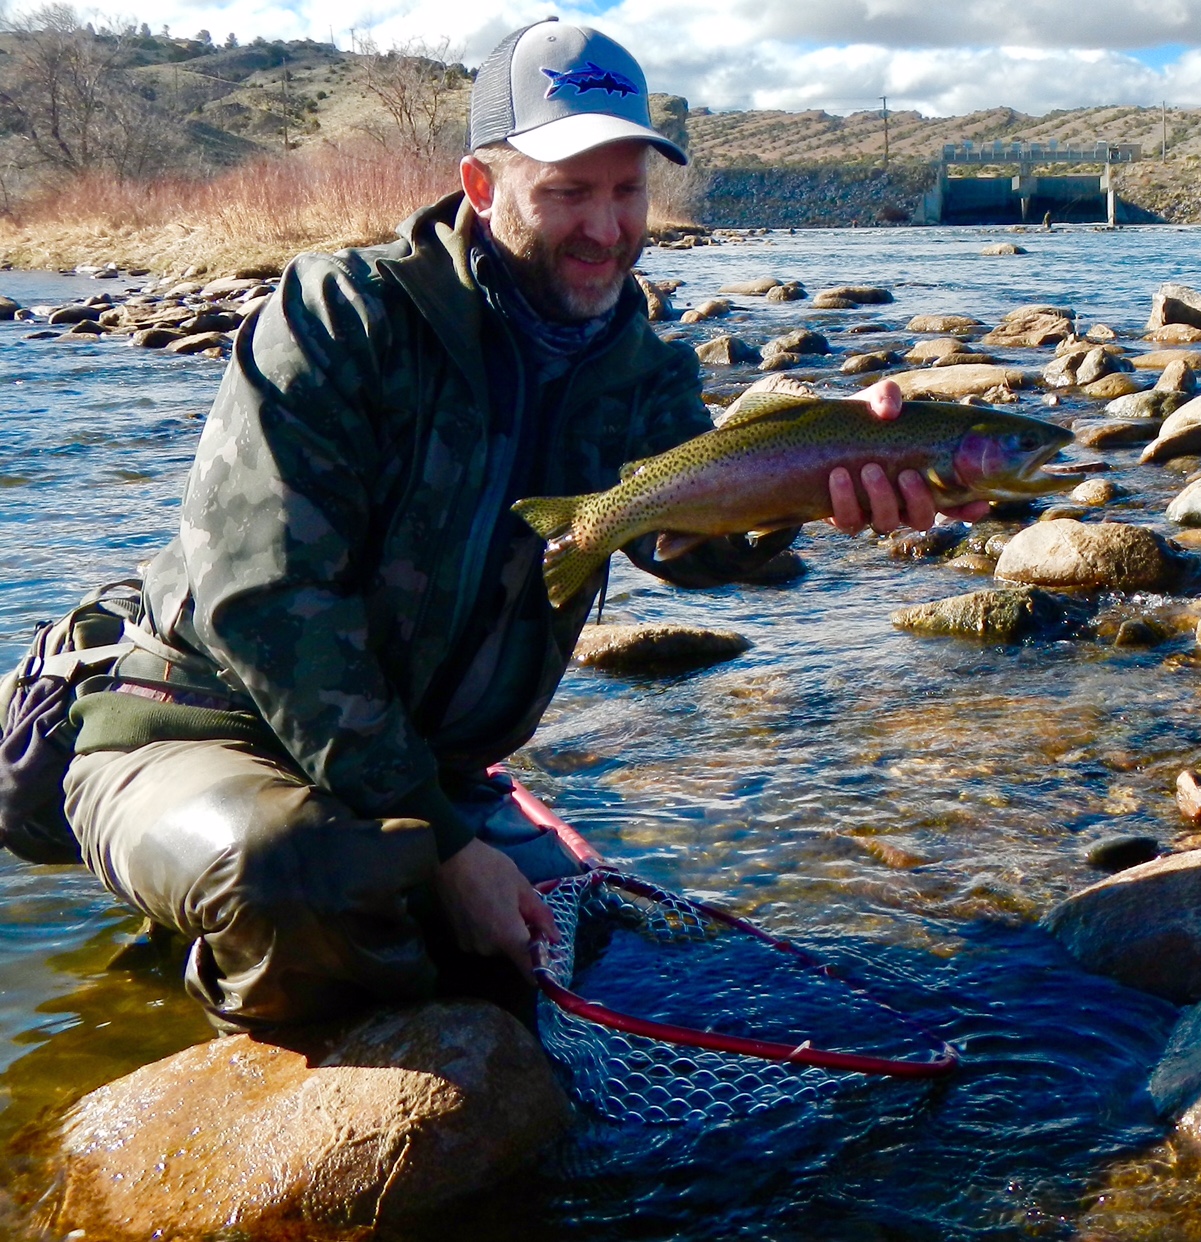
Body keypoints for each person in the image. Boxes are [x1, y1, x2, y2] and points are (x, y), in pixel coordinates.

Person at [55, 19, 987, 1032]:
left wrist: (809, 487)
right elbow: (266, 602)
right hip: (206, 727)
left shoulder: (637, 369)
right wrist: (444, 844)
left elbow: (685, 544)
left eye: (626, 190)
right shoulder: (341, 318)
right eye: (569, 192)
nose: (607, 228)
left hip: (426, 775)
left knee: (542, 955)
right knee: (297, 877)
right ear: (480, 185)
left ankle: (386, 889)